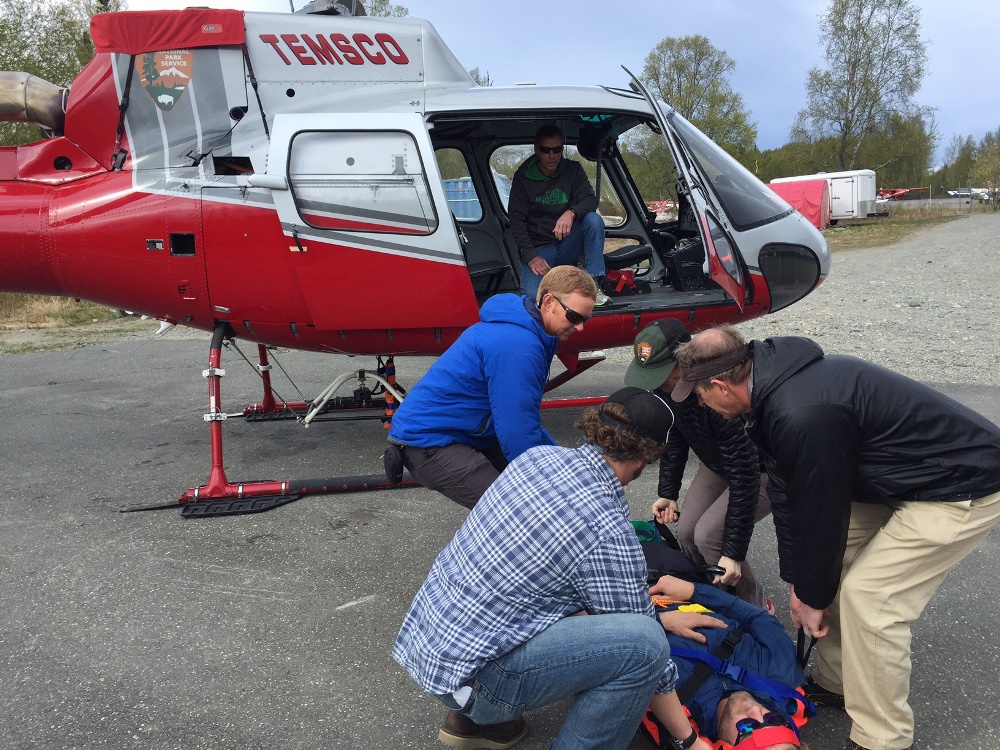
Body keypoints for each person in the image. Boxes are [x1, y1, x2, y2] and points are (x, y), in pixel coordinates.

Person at [671, 325, 1000, 750]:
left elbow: (821, 512)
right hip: (897, 478)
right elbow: (793, 499)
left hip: (959, 483)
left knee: (872, 600)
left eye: (699, 395)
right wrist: (800, 584)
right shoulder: (770, 392)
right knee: (834, 563)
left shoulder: (800, 412)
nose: (700, 403)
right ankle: (839, 678)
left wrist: (811, 595)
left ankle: (884, 739)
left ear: (721, 385)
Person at [393, 388, 712, 750]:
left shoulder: (537, 459)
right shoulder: (606, 528)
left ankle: (473, 727)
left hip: (431, 648)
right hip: (478, 682)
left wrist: (652, 615)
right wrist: (687, 738)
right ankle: (487, 714)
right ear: (644, 459)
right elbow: (645, 652)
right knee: (647, 647)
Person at [385, 266, 596, 508]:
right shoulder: (518, 345)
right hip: (429, 442)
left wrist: (564, 464)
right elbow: (517, 433)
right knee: (516, 512)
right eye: (575, 317)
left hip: (471, 431)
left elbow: (524, 420)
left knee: (547, 487)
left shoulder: (527, 330)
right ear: (548, 302)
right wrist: (559, 481)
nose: (580, 327)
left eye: (585, 319)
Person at [625, 319, 771, 608]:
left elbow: (745, 476)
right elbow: (676, 438)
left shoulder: (717, 398)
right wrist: (668, 492)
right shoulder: (668, 390)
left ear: (685, 363)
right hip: (717, 465)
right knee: (686, 531)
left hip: (761, 472)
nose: (656, 385)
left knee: (709, 536)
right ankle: (711, 591)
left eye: (661, 374)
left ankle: (755, 607)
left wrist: (734, 551)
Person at [644, 575, 812, 750]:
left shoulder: (672, 711)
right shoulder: (783, 676)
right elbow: (756, 618)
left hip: (625, 603)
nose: (756, 711)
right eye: (773, 719)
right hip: (681, 576)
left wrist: (659, 622)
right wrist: (693, 590)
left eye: (747, 728)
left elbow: (617, 653)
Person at [508, 124, 610, 305]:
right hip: (540, 250)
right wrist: (531, 255)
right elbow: (516, 220)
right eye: (546, 150)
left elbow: (590, 200)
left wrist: (571, 213)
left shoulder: (573, 170)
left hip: (567, 243)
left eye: (556, 149)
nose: (552, 155)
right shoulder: (523, 177)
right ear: (536, 149)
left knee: (593, 220)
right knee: (533, 299)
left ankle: (593, 284)